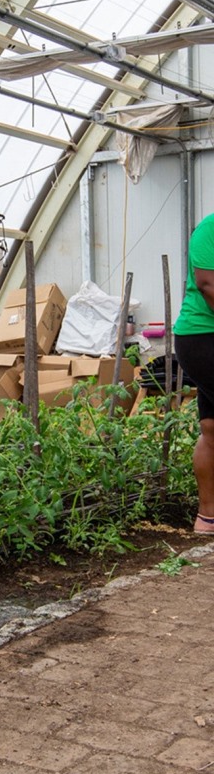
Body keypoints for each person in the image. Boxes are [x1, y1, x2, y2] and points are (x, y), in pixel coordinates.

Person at [174, 212, 214, 534]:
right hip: (203, 338)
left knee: (211, 429)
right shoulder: (210, 229)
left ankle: (207, 518)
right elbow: (209, 285)